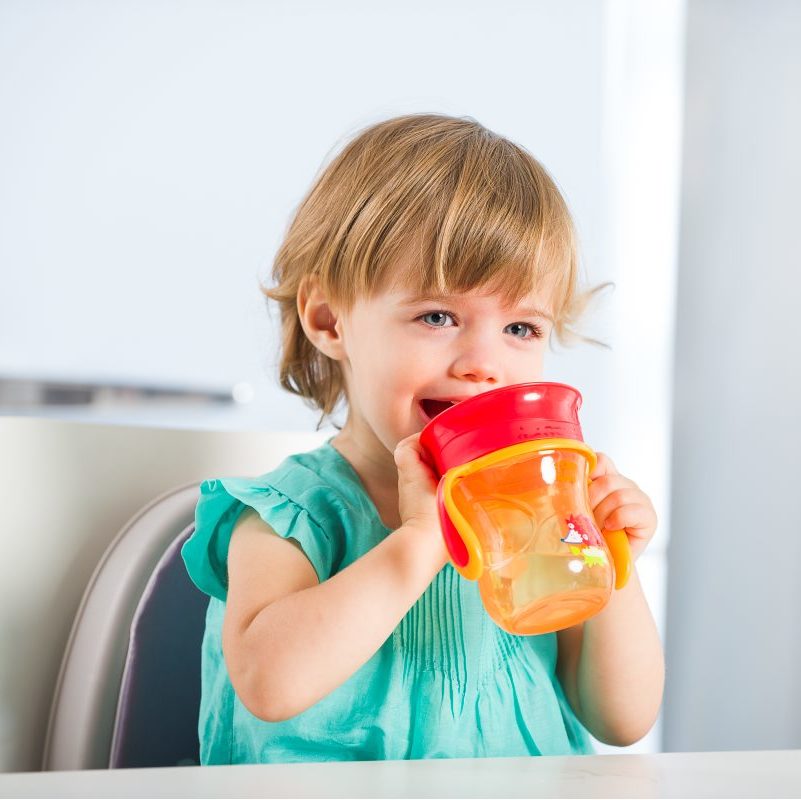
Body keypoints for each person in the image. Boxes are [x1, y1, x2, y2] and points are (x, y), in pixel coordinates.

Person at [181, 113, 664, 765]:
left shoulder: (534, 522)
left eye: (521, 329)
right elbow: (269, 684)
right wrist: (420, 540)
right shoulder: (289, 516)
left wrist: (611, 566)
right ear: (329, 321)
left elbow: (622, 717)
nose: (483, 362)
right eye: (437, 316)